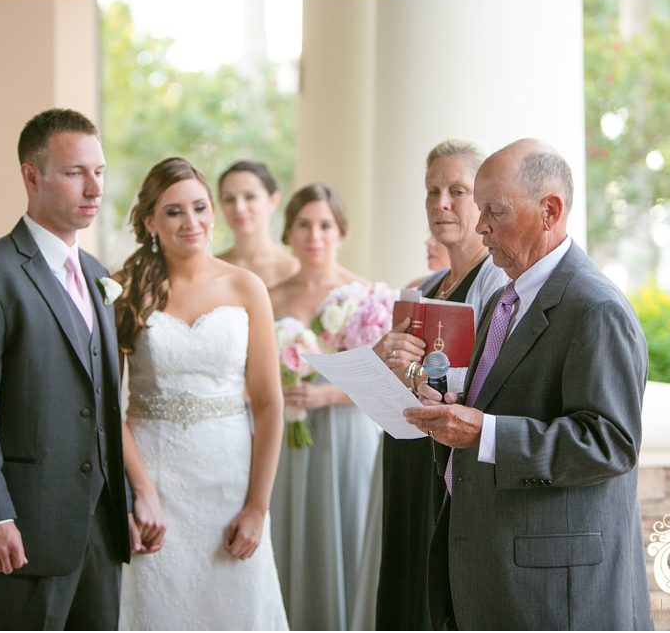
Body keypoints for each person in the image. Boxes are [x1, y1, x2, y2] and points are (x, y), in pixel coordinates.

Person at [403, 138, 653, 630]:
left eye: (494, 210)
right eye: (481, 210)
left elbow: (611, 444)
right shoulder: (505, 300)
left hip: (552, 588)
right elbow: (503, 402)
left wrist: (484, 432)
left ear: (550, 211)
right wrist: (454, 406)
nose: (480, 226)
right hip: (490, 564)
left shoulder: (596, 308)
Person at [0, 108, 130, 629]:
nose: (94, 188)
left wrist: (124, 505)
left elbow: (103, 403)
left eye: (100, 171)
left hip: (101, 532)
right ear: (31, 175)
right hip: (21, 530)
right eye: (74, 173)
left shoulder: (95, 274)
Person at [113, 157, 288, 630]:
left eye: (199, 207)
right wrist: (141, 492)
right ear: (149, 220)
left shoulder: (246, 287)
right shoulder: (126, 290)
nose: (191, 222)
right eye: (173, 212)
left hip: (230, 485)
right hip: (155, 484)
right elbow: (108, 405)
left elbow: (271, 406)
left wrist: (257, 507)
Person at [371, 139, 507, 630]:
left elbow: (488, 380)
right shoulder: (424, 287)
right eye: (432, 191)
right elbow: (406, 378)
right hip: (406, 454)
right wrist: (389, 362)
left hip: (450, 460)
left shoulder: (496, 283)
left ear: (484, 200)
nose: (441, 204)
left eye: (457, 190)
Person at [268, 183, 381, 631]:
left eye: (325, 225)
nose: (315, 235)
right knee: (291, 533)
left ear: (341, 231)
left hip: (345, 430)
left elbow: (385, 377)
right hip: (288, 436)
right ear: (289, 232)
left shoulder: (365, 295)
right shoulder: (269, 296)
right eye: (304, 225)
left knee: (346, 532)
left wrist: (326, 394)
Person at [216, 160, 300, 287]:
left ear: (273, 201)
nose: (239, 208)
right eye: (229, 199)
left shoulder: (293, 270)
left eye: (250, 197)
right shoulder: (214, 267)